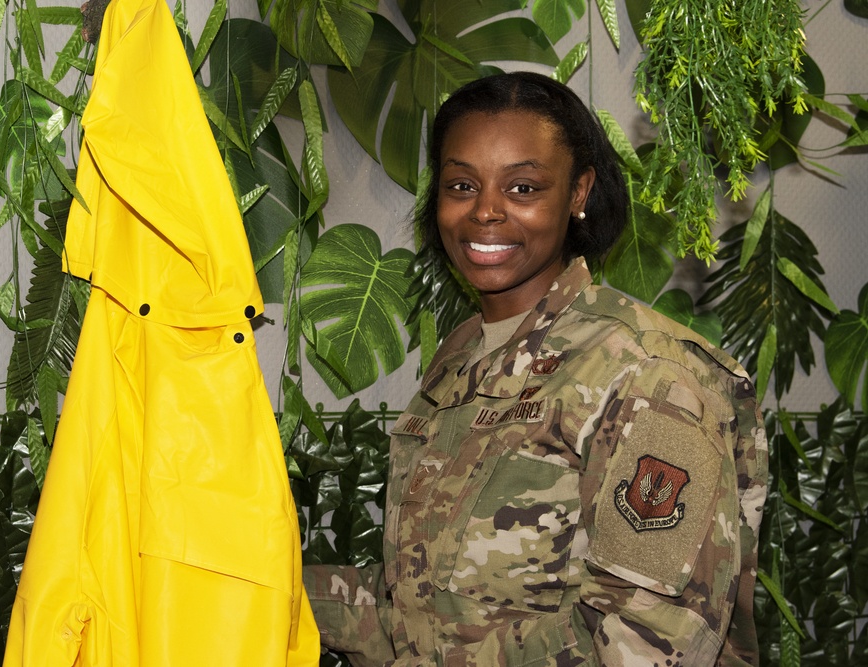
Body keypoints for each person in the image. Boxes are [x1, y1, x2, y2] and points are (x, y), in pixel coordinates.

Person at [302, 71, 768, 666]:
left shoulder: (647, 373)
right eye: (462, 185)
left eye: (522, 188)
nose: (486, 213)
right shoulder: (461, 358)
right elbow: (418, 612)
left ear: (578, 193)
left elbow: (646, 643)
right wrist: (263, 589)